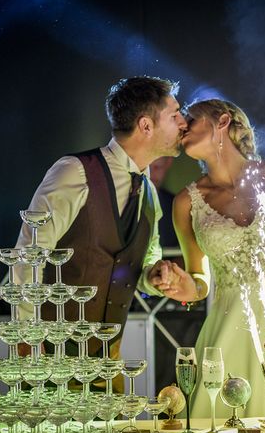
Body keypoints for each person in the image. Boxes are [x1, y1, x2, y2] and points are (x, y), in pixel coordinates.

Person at [15, 76, 196, 393]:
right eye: (175, 114)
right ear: (145, 126)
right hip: (51, 360)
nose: (184, 122)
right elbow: (29, 254)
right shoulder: (74, 170)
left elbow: (139, 264)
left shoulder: (149, 192)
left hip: (107, 364)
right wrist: (27, 336)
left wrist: (155, 275)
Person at [166, 99, 265, 418]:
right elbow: (199, 280)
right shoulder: (186, 202)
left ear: (221, 122)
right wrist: (186, 289)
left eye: (190, 120)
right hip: (231, 329)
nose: (182, 128)